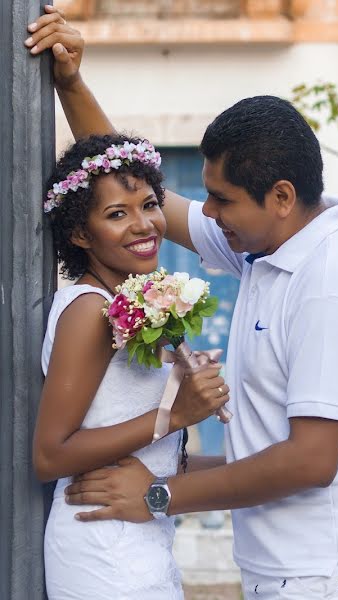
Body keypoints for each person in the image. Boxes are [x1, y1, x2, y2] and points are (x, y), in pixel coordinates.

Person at [27, 7, 338, 600]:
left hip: (329, 574)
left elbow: (311, 461)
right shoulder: (260, 249)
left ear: (280, 198)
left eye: (221, 199)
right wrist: (70, 84)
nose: (204, 212)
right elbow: (123, 189)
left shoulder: (330, 283)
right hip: (283, 569)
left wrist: (157, 494)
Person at [35, 132, 231, 599]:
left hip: (139, 540)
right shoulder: (89, 310)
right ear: (81, 234)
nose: (144, 225)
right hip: (102, 551)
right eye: (117, 214)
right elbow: (50, 455)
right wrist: (176, 414)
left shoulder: (129, 305)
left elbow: (150, 459)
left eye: (149, 204)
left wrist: (261, 469)